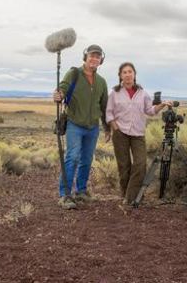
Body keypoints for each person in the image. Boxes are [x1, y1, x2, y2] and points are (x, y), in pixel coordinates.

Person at [53, 44, 111, 210]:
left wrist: (107, 128)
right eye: (92, 55)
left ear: (101, 60)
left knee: (87, 159)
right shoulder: (74, 73)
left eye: (98, 57)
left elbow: (104, 105)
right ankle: (65, 195)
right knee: (72, 158)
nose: (94, 59)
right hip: (74, 124)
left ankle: (81, 192)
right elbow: (62, 88)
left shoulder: (101, 82)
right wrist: (59, 94)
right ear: (85, 57)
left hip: (93, 127)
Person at [106, 62, 172, 205]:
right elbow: (109, 112)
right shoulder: (114, 93)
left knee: (140, 164)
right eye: (124, 72)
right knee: (124, 166)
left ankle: (131, 197)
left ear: (134, 75)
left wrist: (161, 105)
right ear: (120, 76)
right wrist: (114, 126)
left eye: (130, 71)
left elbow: (150, 110)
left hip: (138, 133)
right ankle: (127, 196)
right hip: (120, 132)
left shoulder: (142, 93)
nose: (128, 74)